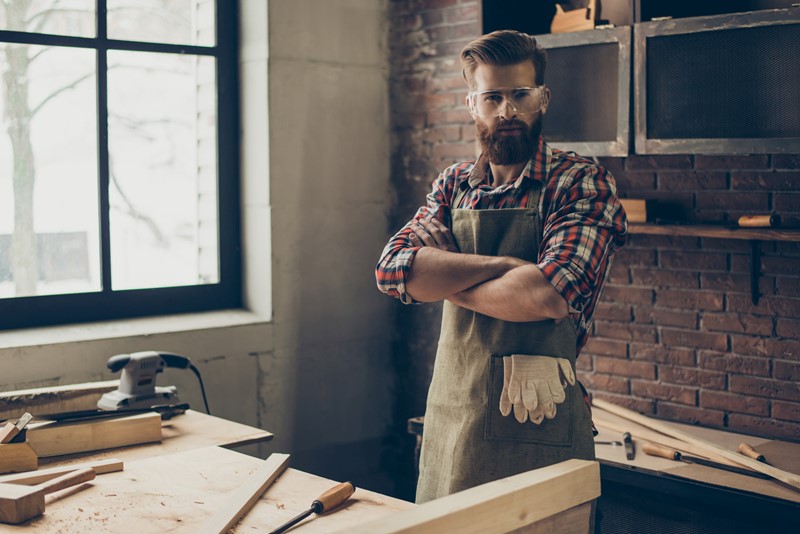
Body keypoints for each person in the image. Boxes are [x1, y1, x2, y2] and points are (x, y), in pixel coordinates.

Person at [375, 30, 627, 505]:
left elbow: (548, 294)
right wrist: (505, 265)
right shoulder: (453, 187)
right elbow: (394, 272)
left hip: (538, 427)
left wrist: (447, 275)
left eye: (520, 95)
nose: (506, 111)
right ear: (473, 105)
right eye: (493, 97)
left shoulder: (580, 182)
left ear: (543, 99)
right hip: (453, 423)